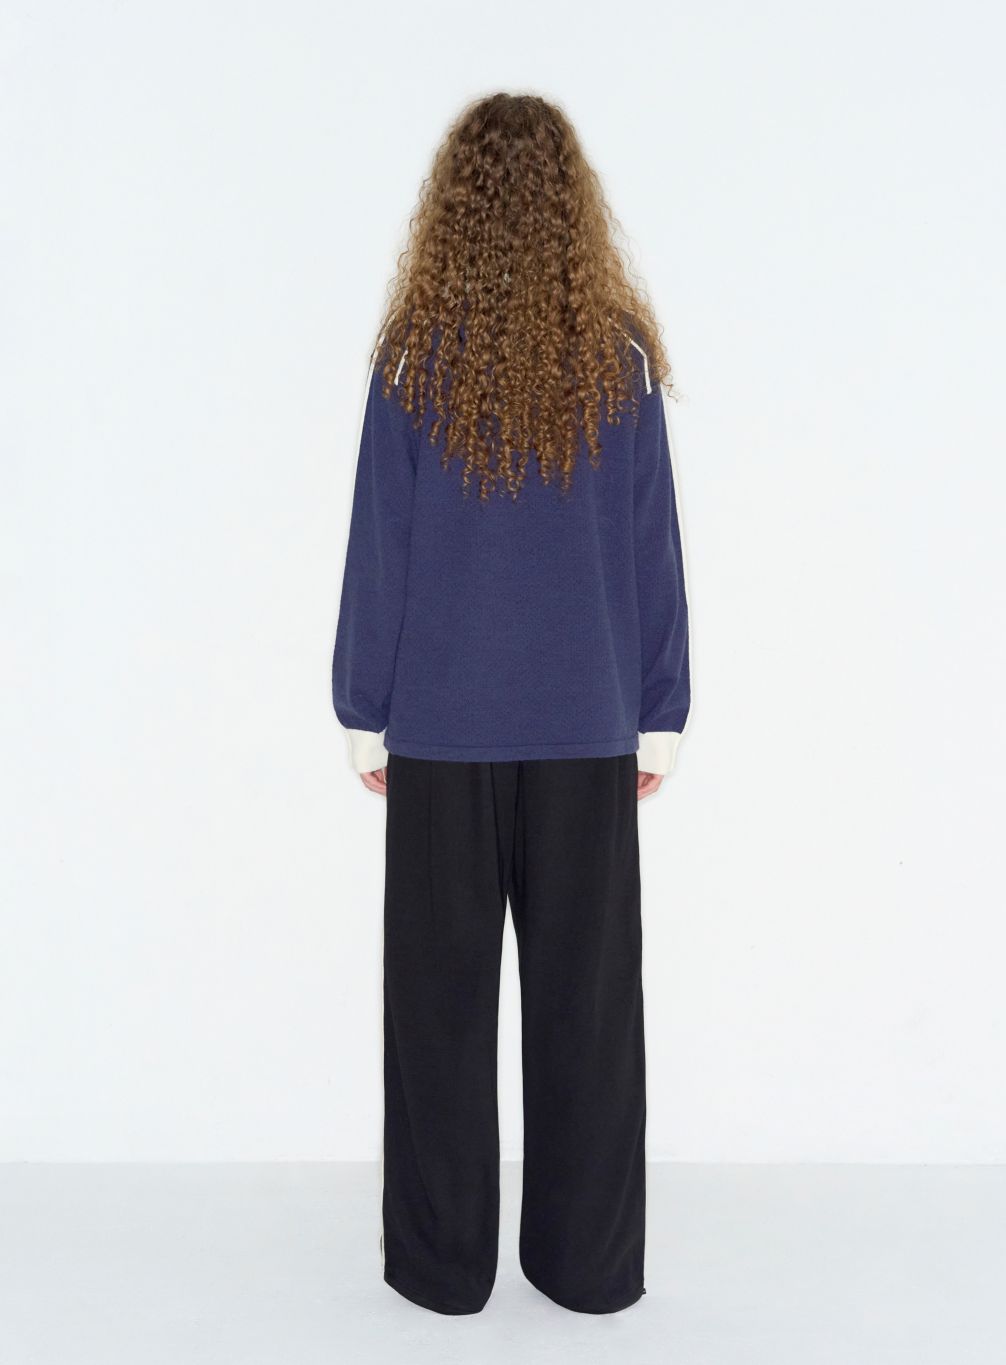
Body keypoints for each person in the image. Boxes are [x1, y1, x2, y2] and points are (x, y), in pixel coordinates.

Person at [331, 92, 690, 1316]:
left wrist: (364, 707)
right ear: (573, 208)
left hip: (442, 730)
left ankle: (442, 1268)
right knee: (588, 1014)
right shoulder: (617, 358)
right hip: (587, 727)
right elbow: (651, 551)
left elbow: (380, 548)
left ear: (454, 206)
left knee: (436, 1009)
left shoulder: (415, 358)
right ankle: (585, 1266)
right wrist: (659, 710)